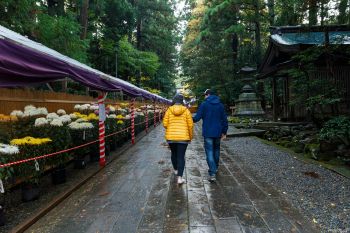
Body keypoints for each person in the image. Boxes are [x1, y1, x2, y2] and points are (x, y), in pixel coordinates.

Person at [193, 89, 228, 182]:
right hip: (218, 132)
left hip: (208, 132)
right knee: (216, 150)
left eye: (205, 95)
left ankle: (212, 173)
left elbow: (196, 118)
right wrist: (224, 131)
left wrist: (187, 118)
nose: (204, 97)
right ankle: (215, 168)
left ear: (208, 95)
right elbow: (224, 119)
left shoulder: (204, 104)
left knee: (209, 152)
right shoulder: (220, 105)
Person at [163, 94, 193, 184]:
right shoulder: (186, 111)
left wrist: (171, 128)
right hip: (183, 138)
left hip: (171, 137)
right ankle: (180, 178)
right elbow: (190, 125)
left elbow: (165, 124)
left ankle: (176, 170)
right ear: (182, 101)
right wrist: (190, 137)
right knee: (181, 156)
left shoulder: (169, 110)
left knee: (174, 153)